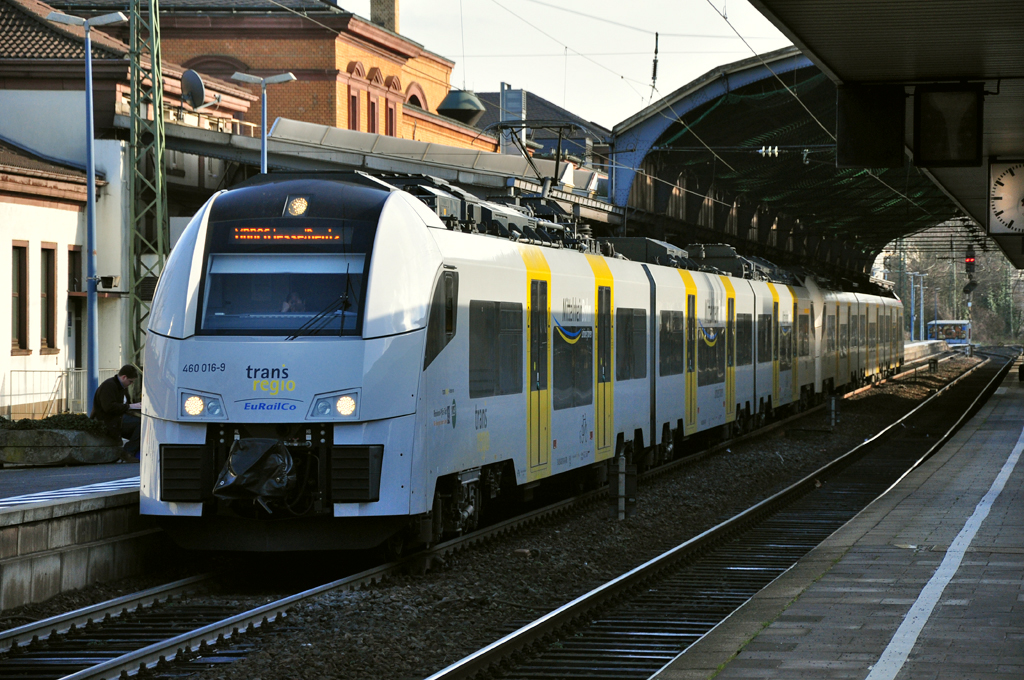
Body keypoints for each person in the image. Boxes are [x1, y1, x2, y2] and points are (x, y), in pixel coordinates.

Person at [90, 364, 142, 462]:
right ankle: (128, 452)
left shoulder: (121, 386)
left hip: (115, 419)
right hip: (107, 421)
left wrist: (134, 407)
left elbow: (123, 406)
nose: (131, 384)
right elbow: (109, 407)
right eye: (130, 381)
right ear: (124, 377)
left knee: (141, 426)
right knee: (141, 425)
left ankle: (130, 452)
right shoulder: (109, 386)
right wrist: (131, 406)